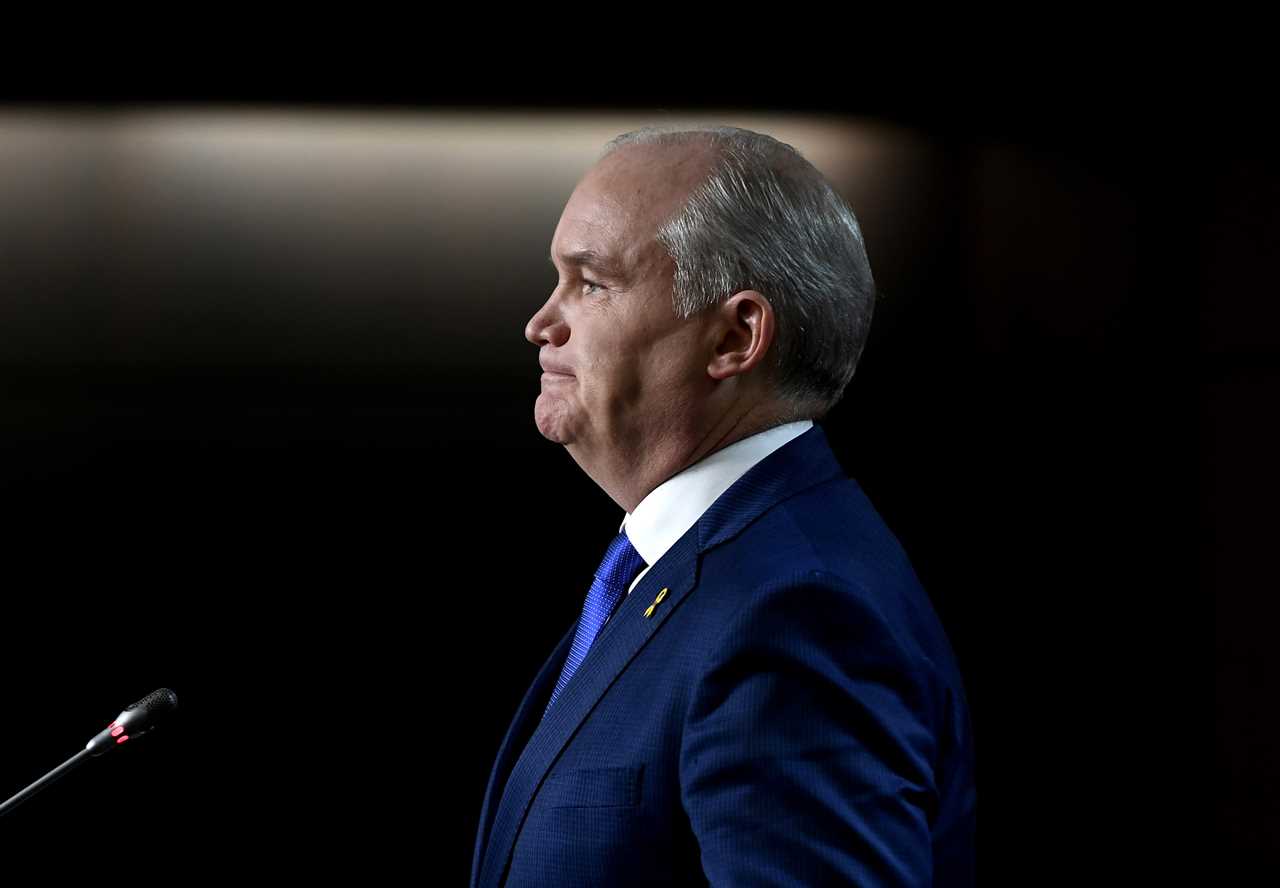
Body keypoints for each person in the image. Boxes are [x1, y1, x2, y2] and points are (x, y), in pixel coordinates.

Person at [470, 125, 976, 887]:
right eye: (556, 280)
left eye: (591, 282)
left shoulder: (799, 611)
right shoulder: (692, 570)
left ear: (735, 336)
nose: (542, 324)